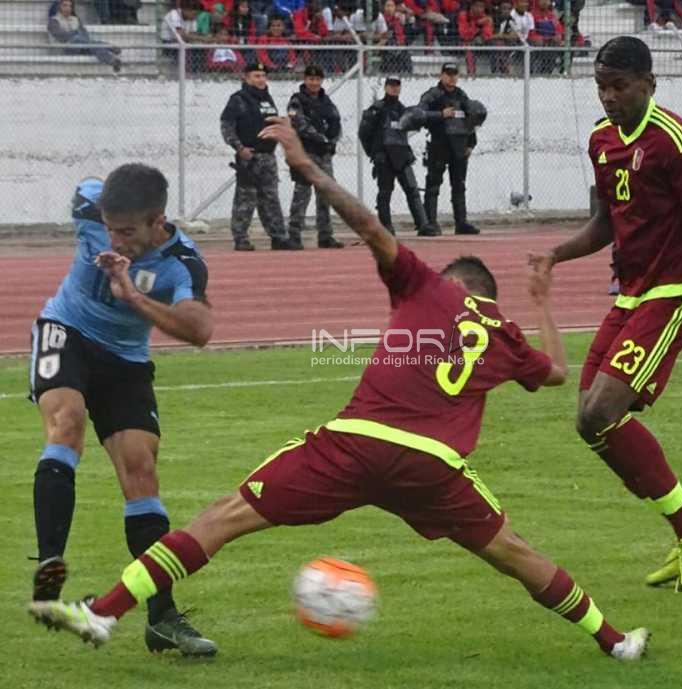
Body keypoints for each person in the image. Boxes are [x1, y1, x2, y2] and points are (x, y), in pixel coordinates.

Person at [28, 117, 650, 663]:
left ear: (449, 280)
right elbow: (557, 373)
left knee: (223, 518)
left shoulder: (426, 285)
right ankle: (614, 639)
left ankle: (103, 612)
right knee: (514, 552)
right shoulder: (506, 336)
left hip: (355, 443)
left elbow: (370, 224)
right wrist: (541, 301)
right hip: (433, 466)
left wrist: (306, 166)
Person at [530, 37, 682, 594]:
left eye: (619, 86)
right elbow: (605, 223)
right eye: (602, 86)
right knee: (588, 421)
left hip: (671, 292)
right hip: (630, 294)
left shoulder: (675, 141)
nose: (609, 96)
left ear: (648, 83)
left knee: (601, 413)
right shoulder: (600, 138)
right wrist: (555, 254)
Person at [27, 166, 217, 656]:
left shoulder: (181, 262)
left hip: (126, 359)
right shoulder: (91, 206)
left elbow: (200, 330)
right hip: (66, 331)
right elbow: (88, 186)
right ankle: (50, 564)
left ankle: (162, 618)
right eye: (110, 229)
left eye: (128, 232)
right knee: (66, 424)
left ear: (158, 221)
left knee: (140, 469)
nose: (115, 240)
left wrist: (132, 295)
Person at [221, 62, 297, 251]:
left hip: (268, 156)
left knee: (270, 198)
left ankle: (278, 237)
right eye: (256, 76)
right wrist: (239, 148)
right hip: (249, 157)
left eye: (263, 76)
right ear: (246, 78)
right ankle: (241, 238)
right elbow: (227, 126)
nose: (261, 79)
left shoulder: (266, 99)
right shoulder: (238, 100)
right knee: (245, 199)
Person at [359, 76, 436, 236]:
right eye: (391, 85)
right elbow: (363, 133)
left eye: (397, 86)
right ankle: (386, 226)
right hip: (384, 156)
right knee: (385, 192)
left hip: (402, 154)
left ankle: (423, 224)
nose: (394, 88)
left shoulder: (403, 110)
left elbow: (414, 124)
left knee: (412, 190)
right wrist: (374, 152)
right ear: (386, 87)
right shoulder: (376, 109)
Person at [418, 63, 482, 236]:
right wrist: (441, 114)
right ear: (441, 75)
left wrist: (471, 144)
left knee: (459, 185)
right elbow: (419, 114)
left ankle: (461, 223)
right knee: (433, 185)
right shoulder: (432, 95)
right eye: (448, 74)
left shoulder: (461, 95)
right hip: (439, 144)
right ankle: (430, 223)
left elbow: (470, 119)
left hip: (459, 146)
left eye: (455, 74)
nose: (452, 78)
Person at [287, 64, 345, 249]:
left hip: (324, 154)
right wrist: (322, 138)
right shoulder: (297, 101)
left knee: (326, 195)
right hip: (305, 153)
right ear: (305, 80)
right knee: (301, 195)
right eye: (311, 79)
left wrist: (332, 141)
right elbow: (299, 124)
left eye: (317, 79)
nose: (314, 83)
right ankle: (294, 235)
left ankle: (325, 235)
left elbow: (336, 122)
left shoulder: (326, 101)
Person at [48, 0, 122, 73]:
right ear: (59, 7)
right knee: (79, 39)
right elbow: (62, 36)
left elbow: (85, 35)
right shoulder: (54, 21)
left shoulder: (75, 19)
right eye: (65, 5)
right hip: (65, 48)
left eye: (70, 6)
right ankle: (108, 46)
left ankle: (113, 61)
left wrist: (77, 35)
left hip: (81, 46)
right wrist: (76, 33)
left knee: (93, 46)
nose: (68, 8)